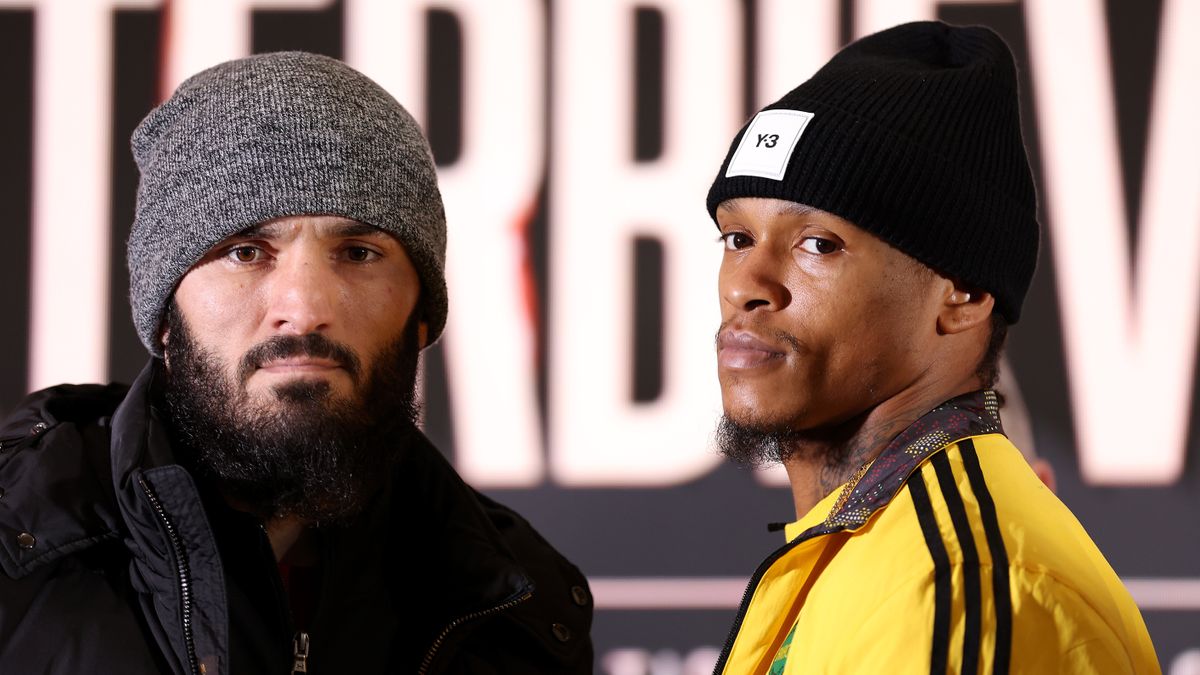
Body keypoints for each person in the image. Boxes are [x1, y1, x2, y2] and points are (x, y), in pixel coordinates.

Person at [0, 51, 592, 674]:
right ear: (165, 317)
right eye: (246, 252)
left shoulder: (523, 609)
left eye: (359, 253)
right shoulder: (16, 560)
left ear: (421, 314)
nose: (304, 309)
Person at [705, 22, 1158, 674]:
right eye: (736, 238)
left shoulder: (958, 585)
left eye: (817, 244)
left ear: (964, 294)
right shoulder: (865, 550)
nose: (746, 285)